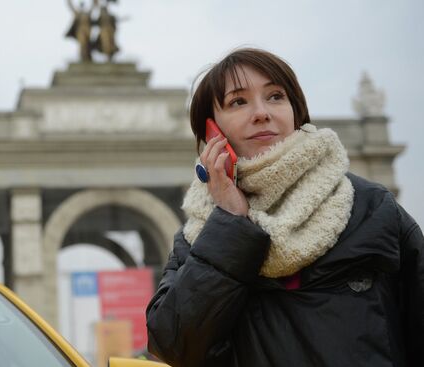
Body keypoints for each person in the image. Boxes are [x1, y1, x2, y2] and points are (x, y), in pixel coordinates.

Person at [145, 48, 424, 367]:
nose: (262, 112)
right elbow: (175, 346)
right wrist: (231, 225)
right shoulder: (197, 239)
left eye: (276, 96)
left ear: (296, 112)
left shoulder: (371, 207)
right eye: (238, 101)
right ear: (212, 132)